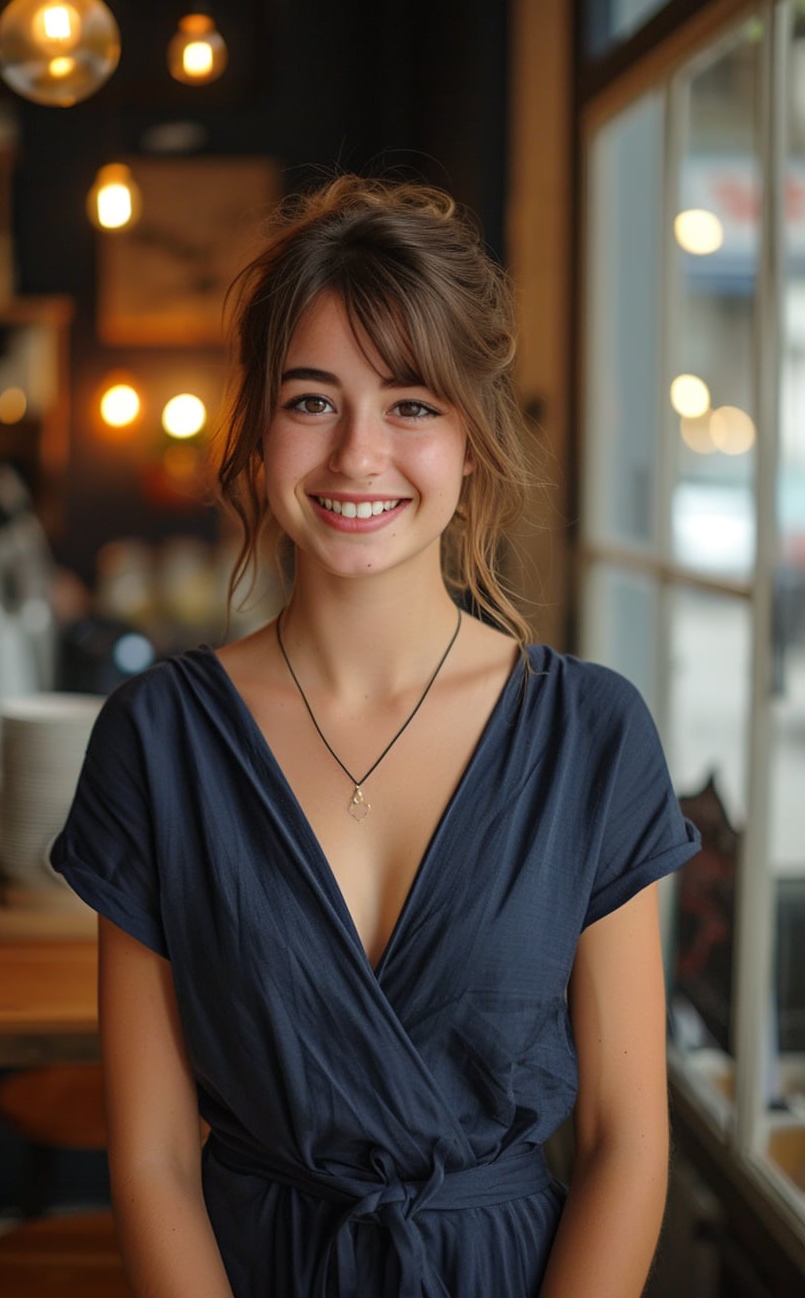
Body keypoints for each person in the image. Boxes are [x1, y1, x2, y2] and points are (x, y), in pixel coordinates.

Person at [51, 174, 700, 1298]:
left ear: (469, 440)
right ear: (256, 429)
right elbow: (153, 1158)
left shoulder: (590, 735)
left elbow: (623, 1143)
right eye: (312, 401)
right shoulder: (155, 741)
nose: (357, 455)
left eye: (410, 403)